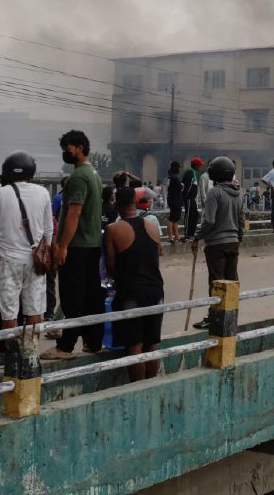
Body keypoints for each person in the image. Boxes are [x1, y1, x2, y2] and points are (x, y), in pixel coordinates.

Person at [43, 130, 105, 360]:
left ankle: (65, 347)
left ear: (79, 148)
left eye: (67, 149)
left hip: (77, 245)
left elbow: (74, 213)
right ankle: (93, 341)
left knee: (71, 297)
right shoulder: (94, 174)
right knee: (91, 295)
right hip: (91, 244)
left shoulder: (78, 177)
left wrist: (63, 246)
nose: (64, 153)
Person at [0, 152, 53, 342]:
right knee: (34, 310)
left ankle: (12, 358)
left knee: (9, 313)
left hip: (7, 261)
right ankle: (31, 356)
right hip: (35, 261)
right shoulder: (43, 192)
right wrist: (46, 251)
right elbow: (48, 228)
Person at [104, 186, 166, 382]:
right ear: (135, 203)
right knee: (151, 345)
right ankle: (152, 386)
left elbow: (111, 266)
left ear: (117, 205)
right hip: (156, 290)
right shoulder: (152, 225)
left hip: (131, 292)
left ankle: (138, 388)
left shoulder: (112, 229)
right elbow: (158, 253)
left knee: (135, 347)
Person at [191, 156, 244, 331]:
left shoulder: (215, 192)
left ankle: (215, 317)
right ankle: (231, 317)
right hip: (233, 242)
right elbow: (241, 220)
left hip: (216, 244)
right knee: (232, 280)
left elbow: (208, 221)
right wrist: (238, 238)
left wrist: (197, 237)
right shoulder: (239, 192)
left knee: (216, 282)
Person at [181, 157, 204, 241]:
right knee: (189, 215)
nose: (201, 167)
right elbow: (187, 187)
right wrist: (185, 198)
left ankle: (192, 233)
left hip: (193, 198)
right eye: (200, 165)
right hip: (189, 198)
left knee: (195, 215)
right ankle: (187, 234)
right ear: (196, 165)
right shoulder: (189, 173)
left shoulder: (193, 173)